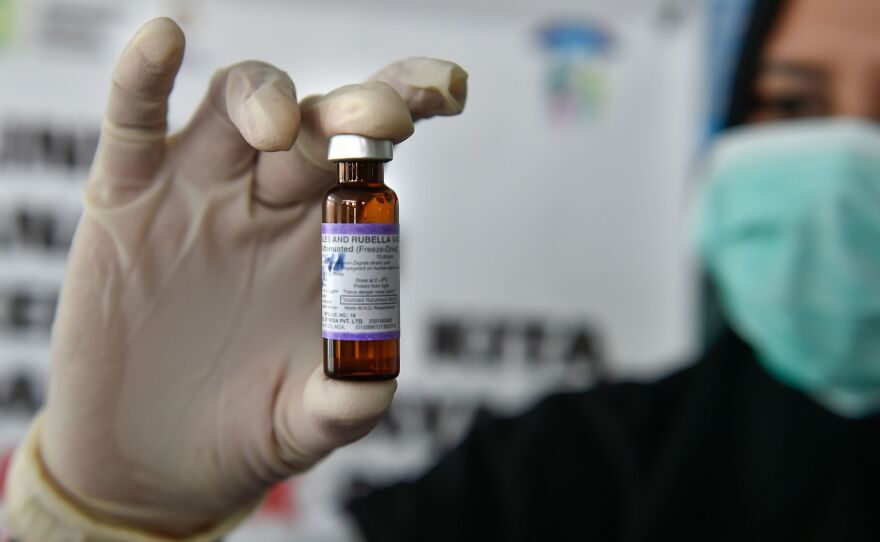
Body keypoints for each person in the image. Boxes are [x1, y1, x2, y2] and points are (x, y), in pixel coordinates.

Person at [4, 0, 880, 539]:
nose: (844, 159)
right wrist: (106, 520)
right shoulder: (566, 475)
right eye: (790, 103)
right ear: (727, 123)